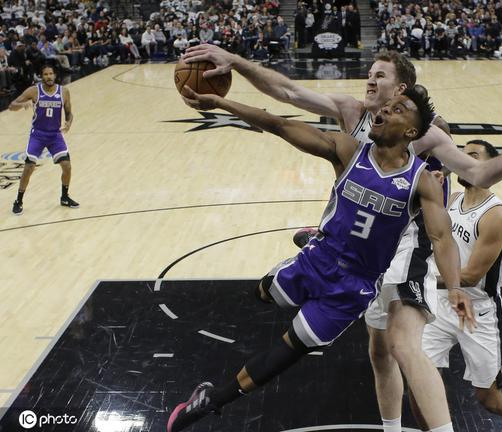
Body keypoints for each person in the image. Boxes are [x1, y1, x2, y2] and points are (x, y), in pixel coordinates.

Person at [181, 45, 502, 432]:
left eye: (380, 76)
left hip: (406, 246)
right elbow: (285, 97)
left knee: (403, 345)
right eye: (370, 73)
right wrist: (234, 65)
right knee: (378, 350)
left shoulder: (426, 141)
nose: (370, 80)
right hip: (344, 247)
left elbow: (476, 178)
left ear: (401, 89)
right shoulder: (351, 117)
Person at [167, 85, 473, 432]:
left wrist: (454, 288)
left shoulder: (421, 181)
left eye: (398, 109)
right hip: (318, 261)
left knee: (288, 352)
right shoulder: (347, 150)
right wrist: (221, 102)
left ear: (411, 132)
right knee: (264, 292)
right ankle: (313, 240)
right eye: (387, 105)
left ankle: (212, 399)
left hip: (354, 288)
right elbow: (279, 124)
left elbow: (442, 238)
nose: (385, 109)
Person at [417, 140, 502, 432]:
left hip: (477, 312)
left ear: (490, 167)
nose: (464, 161)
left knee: (489, 398)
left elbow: (471, 276)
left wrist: (421, 279)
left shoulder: (497, 215)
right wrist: (430, 191)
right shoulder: (453, 199)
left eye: (472, 156)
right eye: (462, 155)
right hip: (440, 305)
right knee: (420, 381)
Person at [9, 64, 77, 215]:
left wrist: (68, 123)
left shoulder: (64, 91)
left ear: (55, 75)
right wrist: (23, 104)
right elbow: (11, 106)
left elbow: (69, 113)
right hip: (38, 135)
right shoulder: (34, 91)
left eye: (51, 74)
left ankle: (64, 197)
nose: (49, 76)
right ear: (41, 77)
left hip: (55, 135)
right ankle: (18, 200)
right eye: (45, 74)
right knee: (29, 167)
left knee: (67, 166)